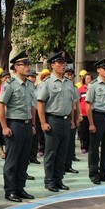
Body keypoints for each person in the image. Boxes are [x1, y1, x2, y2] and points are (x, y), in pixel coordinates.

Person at [37, 51, 79, 192]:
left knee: (63, 152)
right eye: (60, 63)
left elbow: (72, 103)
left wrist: (72, 120)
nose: (63, 65)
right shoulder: (47, 83)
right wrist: (43, 122)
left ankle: (58, 179)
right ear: (52, 65)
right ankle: (49, 181)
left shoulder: (69, 83)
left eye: (64, 63)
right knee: (51, 153)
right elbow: (40, 103)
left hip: (66, 120)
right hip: (53, 120)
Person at [0, 51, 36, 202]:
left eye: (28, 64)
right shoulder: (10, 84)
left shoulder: (30, 85)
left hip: (26, 125)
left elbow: (32, 106)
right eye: (24, 65)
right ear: (16, 67)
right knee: (12, 161)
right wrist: (4, 127)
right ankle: (10, 190)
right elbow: (0, 105)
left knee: (24, 160)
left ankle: (20, 188)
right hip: (14, 124)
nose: (27, 67)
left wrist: (32, 124)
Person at [63, 68, 80, 174]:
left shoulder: (73, 87)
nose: (70, 77)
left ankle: (68, 165)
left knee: (70, 143)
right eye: (68, 74)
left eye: (71, 75)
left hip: (71, 115)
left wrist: (77, 117)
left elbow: (75, 103)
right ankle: (60, 167)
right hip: (60, 116)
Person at [0, 71, 10, 159]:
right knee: (0, 133)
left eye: (8, 77)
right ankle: (1, 150)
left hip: (9, 115)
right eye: (5, 77)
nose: (7, 79)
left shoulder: (11, 87)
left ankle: (8, 149)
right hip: (1, 114)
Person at [78, 73, 93, 154]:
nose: (89, 80)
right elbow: (78, 102)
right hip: (83, 113)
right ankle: (84, 146)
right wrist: (79, 113)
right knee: (83, 131)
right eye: (87, 78)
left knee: (91, 130)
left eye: (90, 78)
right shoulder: (80, 89)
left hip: (91, 113)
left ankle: (90, 145)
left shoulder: (93, 88)